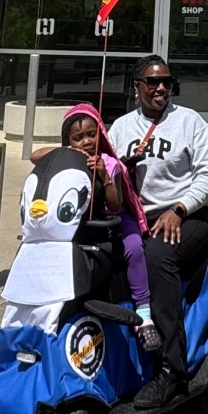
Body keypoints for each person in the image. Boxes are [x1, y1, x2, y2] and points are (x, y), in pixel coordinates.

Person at [106, 54, 208, 407]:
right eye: (152, 82)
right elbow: (106, 173)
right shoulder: (121, 127)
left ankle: (172, 371)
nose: (160, 88)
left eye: (166, 82)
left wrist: (178, 209)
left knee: (157, 259)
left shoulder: (190, 122)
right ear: (136, 85)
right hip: (137, 219)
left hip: (190, 217)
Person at [41, 102, 156, 345]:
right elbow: (35, 156)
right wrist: (65, 153)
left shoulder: (109, 163)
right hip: (80, 222)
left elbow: (115, 204)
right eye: (78, 138)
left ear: (100, 134)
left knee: (134, 248)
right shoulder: (67, 161)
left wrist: (104, 175)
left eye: (91, 135)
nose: (86, 142)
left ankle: (144, 314)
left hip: (114, 220)